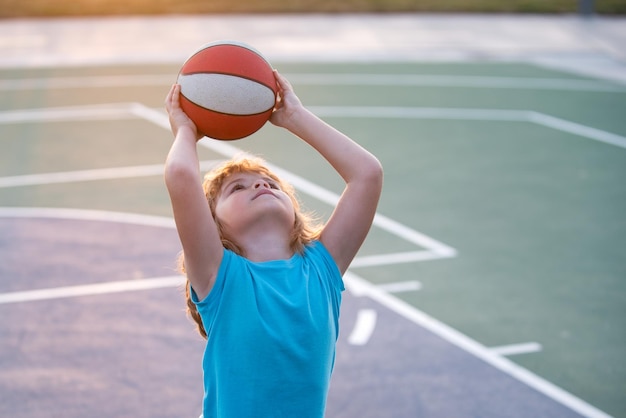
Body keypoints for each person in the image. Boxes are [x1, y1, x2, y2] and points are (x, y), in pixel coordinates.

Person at [164, 70, 383, 418]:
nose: (260, 186)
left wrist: (296, 117)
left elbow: (367, 174)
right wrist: (186, 130)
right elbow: (181, 177)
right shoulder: (220, 276)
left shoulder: (321, 268)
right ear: (213, 223)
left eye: (271, 183)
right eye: (237, 188)